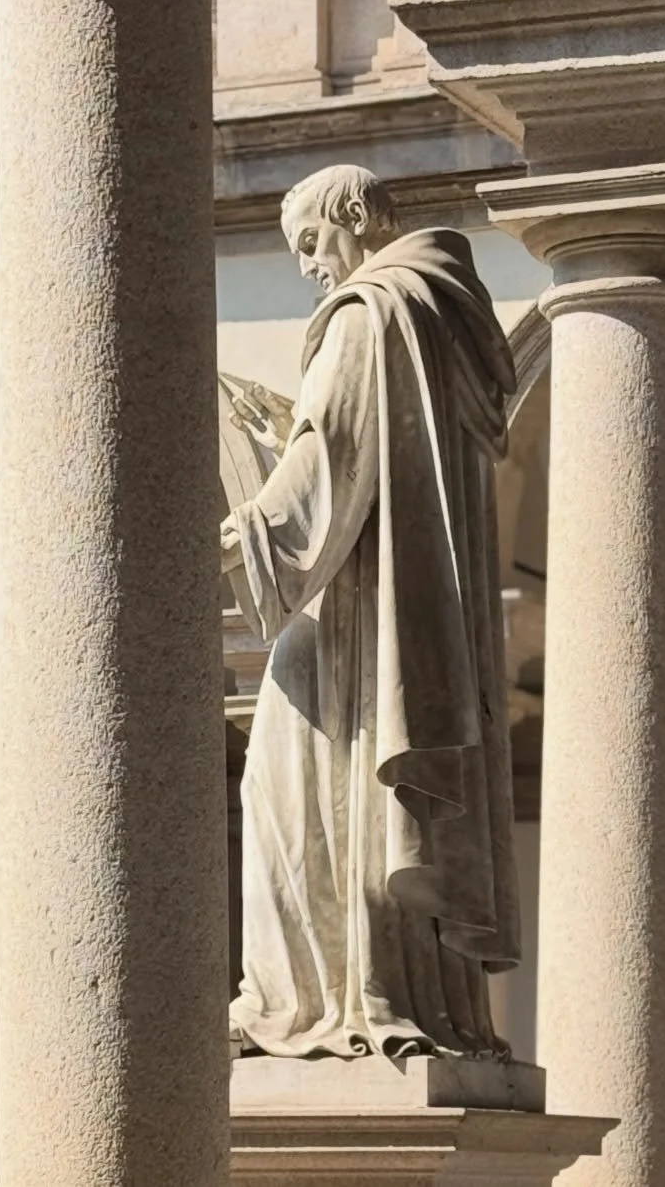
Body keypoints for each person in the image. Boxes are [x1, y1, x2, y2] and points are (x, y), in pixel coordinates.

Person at [220, 163, 520, 1060]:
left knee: (281, 791)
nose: (311, 267)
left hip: (352, 628)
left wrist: (238, 536)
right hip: (403, 618)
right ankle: (404, 998)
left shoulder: (369, 315)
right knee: (340, 801)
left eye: (312, 241)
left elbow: (333, 464)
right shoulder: (443, 318)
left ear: (355, 214)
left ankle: (321, 1007)